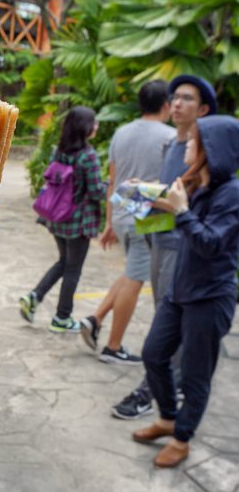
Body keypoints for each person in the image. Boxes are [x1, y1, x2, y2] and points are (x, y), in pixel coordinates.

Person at [132, 115, 239, 467]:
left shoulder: (232, 194)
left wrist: (181, 210)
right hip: (180, 291)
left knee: (195, 374)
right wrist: (141, 192)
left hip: (209, 298)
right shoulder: (198, 184)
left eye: (194, 141)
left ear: (212, 149)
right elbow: (170, 209)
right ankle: (167, 417)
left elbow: (210, 243)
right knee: (153, 354)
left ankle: (182, 436)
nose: (187, 146)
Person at [111, 75, 217, 419]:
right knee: (164, 314)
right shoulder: (172, 145)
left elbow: (193, 199)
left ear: (202, 109)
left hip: (181, 244)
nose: (176, 103)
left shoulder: (206, 151)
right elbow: (171, 189)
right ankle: (174, 380)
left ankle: (149, 391)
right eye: (174, 97)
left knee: (167, 323)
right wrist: (145, 187)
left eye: (186, 98)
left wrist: (152, 193)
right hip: (158, 236)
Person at [79, 80, 173, 363]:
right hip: (148, 218)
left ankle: (95, 319)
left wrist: (110, 222)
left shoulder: (121, 132)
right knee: (135, 279)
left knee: (131, 272)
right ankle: (113, 347)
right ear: (166, 105)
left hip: (121, 212)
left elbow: (113, 180)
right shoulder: (171, 137)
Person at [20, 106, 107, 332]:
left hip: (56, 218)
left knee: (63, 262)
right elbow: (97, 192)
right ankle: (62, 318)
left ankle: (34, 296)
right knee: (73, 269)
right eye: (94, 122)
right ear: (85, 127)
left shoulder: (58, 151)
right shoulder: (88, 155)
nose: (96, 126)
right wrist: (110, 187)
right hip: (78, 222)